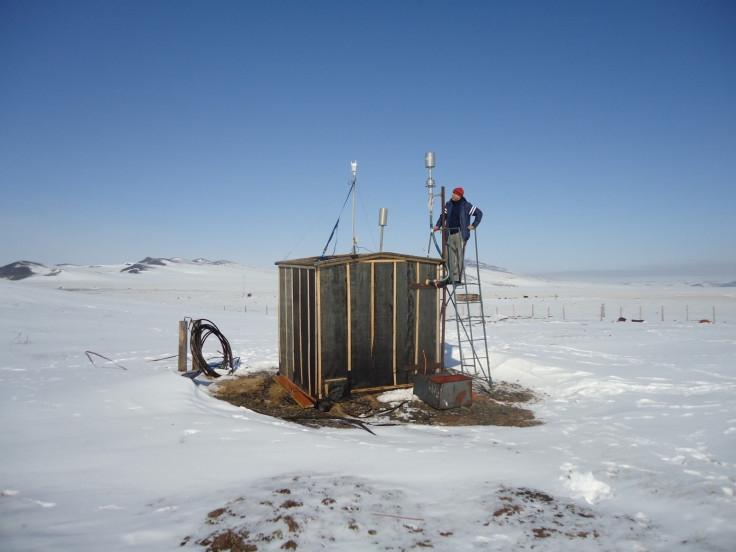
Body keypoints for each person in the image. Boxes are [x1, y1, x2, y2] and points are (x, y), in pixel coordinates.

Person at [432, 187, 482, 284]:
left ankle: (456, 278)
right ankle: (449, 277)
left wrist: (474, 225)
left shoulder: (466, 206)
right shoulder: (448, 204)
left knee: (459, 256)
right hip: (449, 233)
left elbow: (479, 213)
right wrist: (438, 225)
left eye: (454, 193)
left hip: (460, 233)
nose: (452, 195)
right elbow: (443, 216)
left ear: (459, 195)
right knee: (448, 257)